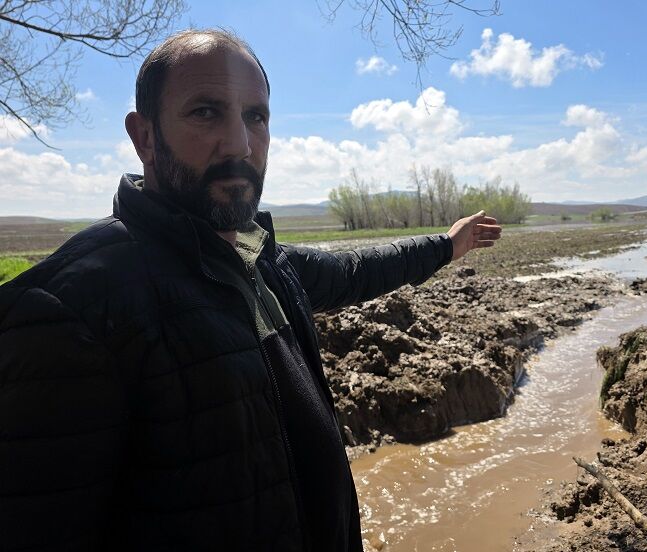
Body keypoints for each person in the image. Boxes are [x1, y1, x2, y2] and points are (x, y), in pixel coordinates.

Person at [0, 29, 501, 551]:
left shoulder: (262, 260)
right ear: (144, 136)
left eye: (255, 117)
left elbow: (354, 271)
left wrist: (447, 245)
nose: (240, 144)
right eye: (205, 112)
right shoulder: (73, 309)